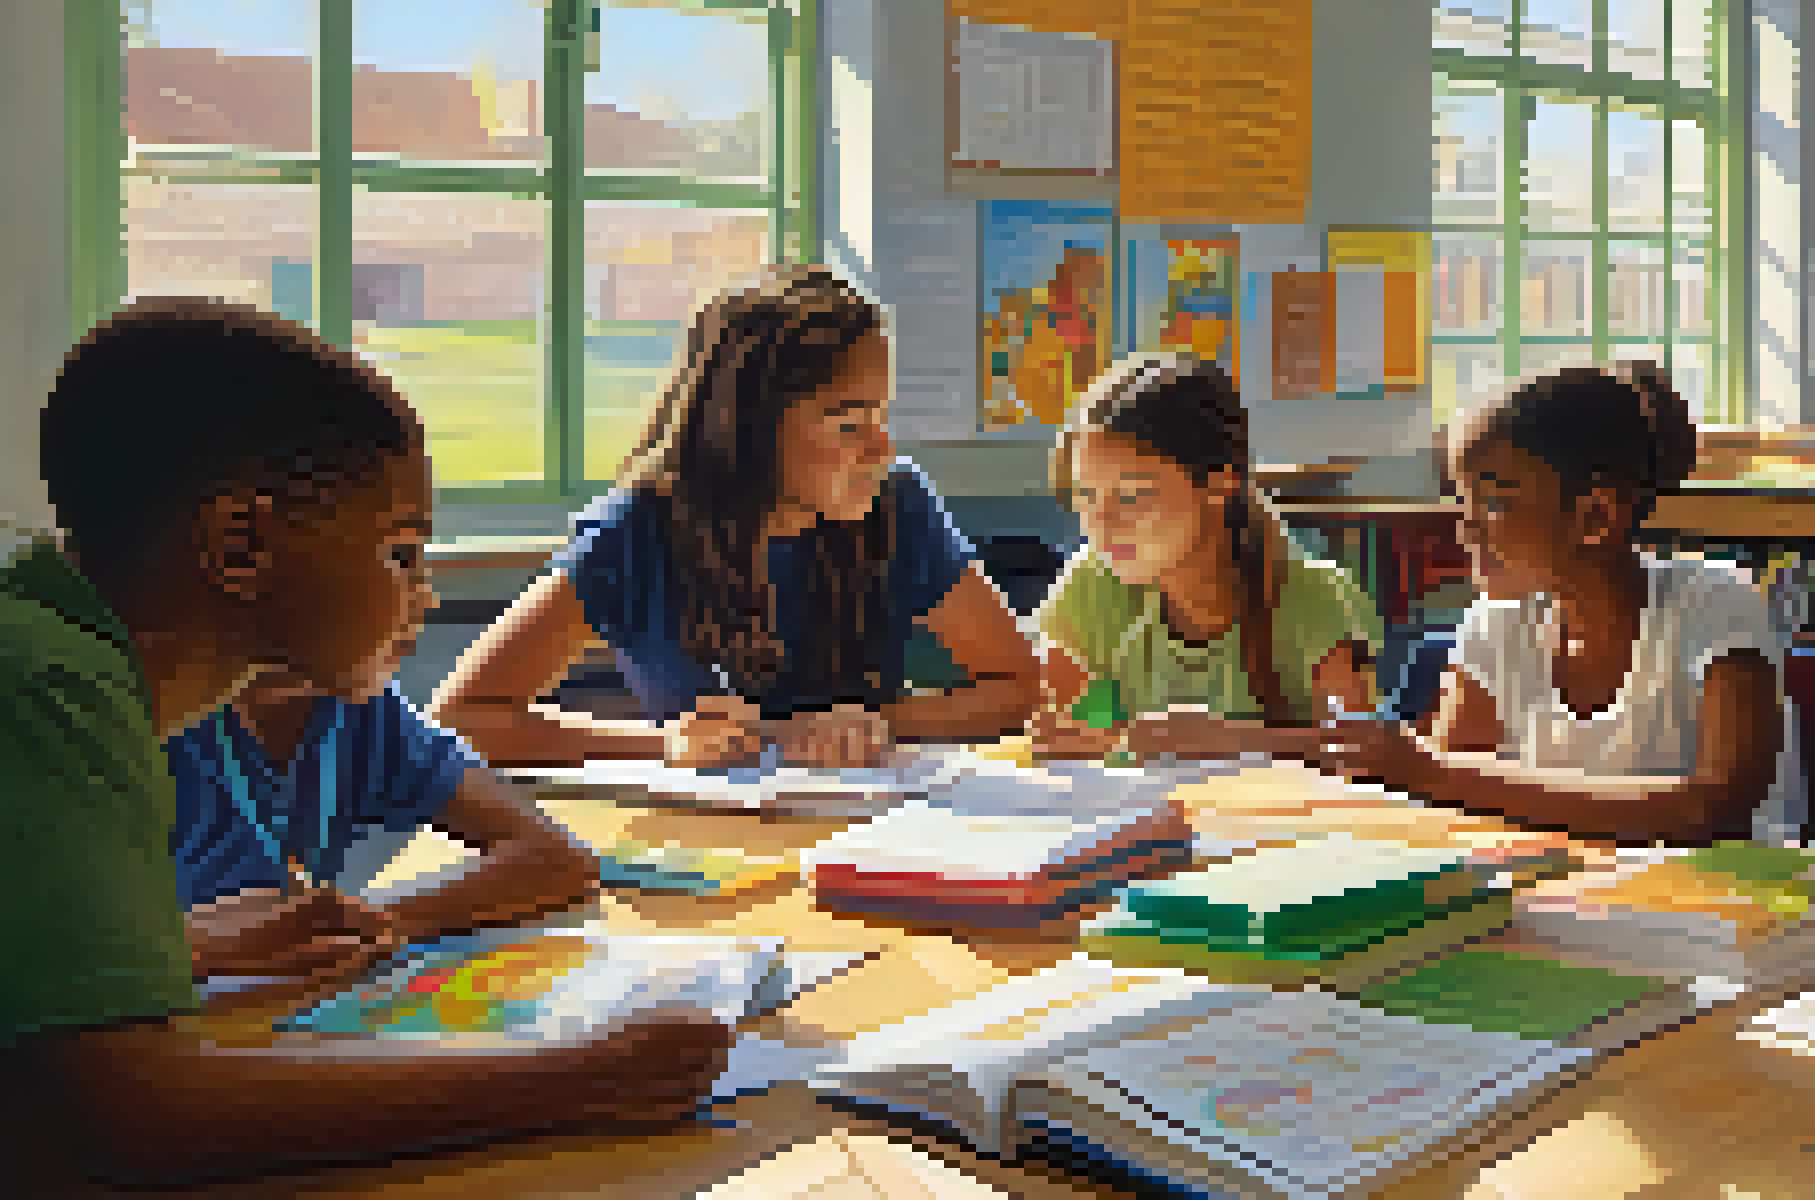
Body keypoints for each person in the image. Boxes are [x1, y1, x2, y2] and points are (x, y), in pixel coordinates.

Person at [0, 298, 730, 1189]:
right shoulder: (51, 695)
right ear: (239, 545)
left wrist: (182, 947)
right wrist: (586, 1076)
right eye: (400, 551)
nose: (422, 596)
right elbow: (131, 1117)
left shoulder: (62, 655)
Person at [432, 266, 1040, 770]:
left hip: (869, 821)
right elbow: (465, 716)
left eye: (882, 415)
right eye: (848, 424)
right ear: (748, 429)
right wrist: (663, 744)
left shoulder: (899, 504)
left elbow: (1020, 688)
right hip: (699, 835)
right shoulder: (638, 529)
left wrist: (872, 722)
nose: (882, 448)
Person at [1307, 363, 1804, 846]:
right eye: (1463, 501)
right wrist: (1412, 772)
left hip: (1733, 908)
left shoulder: (1716, 605)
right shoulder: (1497, 620)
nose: (1467, 528)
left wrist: (1430, 772)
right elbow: (1449, 793)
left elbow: (1711, 810)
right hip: (1581, 899)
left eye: (1494, 503)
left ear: (1595, 517)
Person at [1028, 352, 1384, 760]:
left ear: (1220, 485)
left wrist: (1238, 743)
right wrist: (1080, 742)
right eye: (1086, 495)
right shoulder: (1091, 584)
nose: (1101, 524)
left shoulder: (1312, 598)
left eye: (1131, 497)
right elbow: (1052, 724)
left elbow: (1365, 753)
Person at [170, 665, 600, 983]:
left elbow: (557, 860)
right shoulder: (141, 714)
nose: (426, 591)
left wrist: (373, 920)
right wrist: (204, 946)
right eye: (397, 556)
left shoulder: (361, 703)